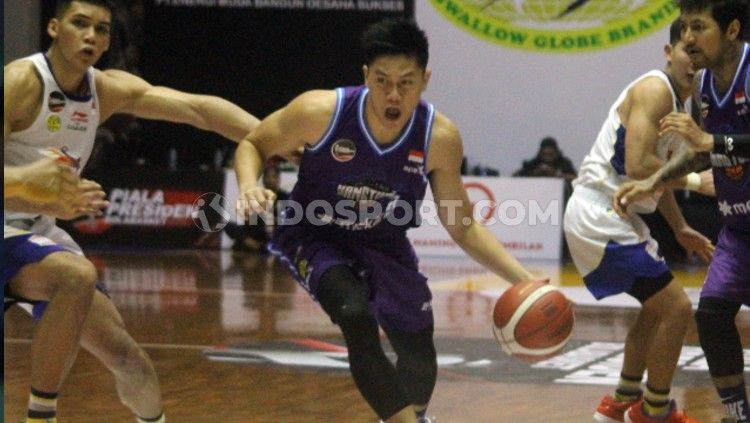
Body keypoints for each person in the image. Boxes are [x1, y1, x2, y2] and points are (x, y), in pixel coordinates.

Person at [234, 18, 537, 423]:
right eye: (382, 81)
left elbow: (462, 225)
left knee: (418, 355)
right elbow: (254, 142)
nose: (393, 94)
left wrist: (523, 279)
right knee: (355, 315)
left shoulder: (439, 138)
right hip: (314, 234)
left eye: (406, 82)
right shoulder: (320, 111)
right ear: (365, 76)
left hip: (385, 242)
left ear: (425, 79)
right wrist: (247, 184)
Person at [4, 1, 260, 422]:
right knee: (75, 274)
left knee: (129, 358)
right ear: (53, 27)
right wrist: (37, 192)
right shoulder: (20, 82)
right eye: (80, 24)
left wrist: (277, 137)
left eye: (101, 29)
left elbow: (200, 110)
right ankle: (40, 414)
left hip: (37, 233)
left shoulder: (103, 89)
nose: (91, 36)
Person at [563, 19, 716, 423]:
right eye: (687, 52)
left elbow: (655, 179)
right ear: (669, 53)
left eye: (701, 56)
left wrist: (679, 226)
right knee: (677, 309)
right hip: (600, 211)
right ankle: (654, 411)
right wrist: (698, 181)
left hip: (622, 214)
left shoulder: (683, 108)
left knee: (656, 309)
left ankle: (621, 401)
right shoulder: (655, 89)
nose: (694, 65)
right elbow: (638, 165)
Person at [615, 1, 749, 421]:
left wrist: (716, 145)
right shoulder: (705, 85)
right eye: (685, 27)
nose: (687, 37)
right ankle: (738, 414)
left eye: (698, 26)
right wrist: (654, 181)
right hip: (739, 228)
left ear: (731, 30)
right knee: (711, 317)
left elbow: (711, 146)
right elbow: (697, 154)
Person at [4, 157, 103, 423]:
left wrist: (50, 202)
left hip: (19, 232)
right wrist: (25, 177)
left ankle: (41, 414)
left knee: (117, 343)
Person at [224, 160, 290, 252]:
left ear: (279, 179)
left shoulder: (285, 197)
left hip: (275, 232)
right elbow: (251, 222)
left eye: (274, 177)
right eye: (268, 177)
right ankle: (257, 246)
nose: (271, 180)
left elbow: (286, 221)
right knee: (229, 226)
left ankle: (255, 246)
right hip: (258, 231)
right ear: (263, 180)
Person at [513, 136, 578, 182]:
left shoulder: (564, 163)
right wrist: (535, 174)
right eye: (545, 154)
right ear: (540, 153)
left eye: (550, 154)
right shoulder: (534, 163)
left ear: (556, 153)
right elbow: (515, 176)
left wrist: (556, 174)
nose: (547, 158)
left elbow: (575, 179)